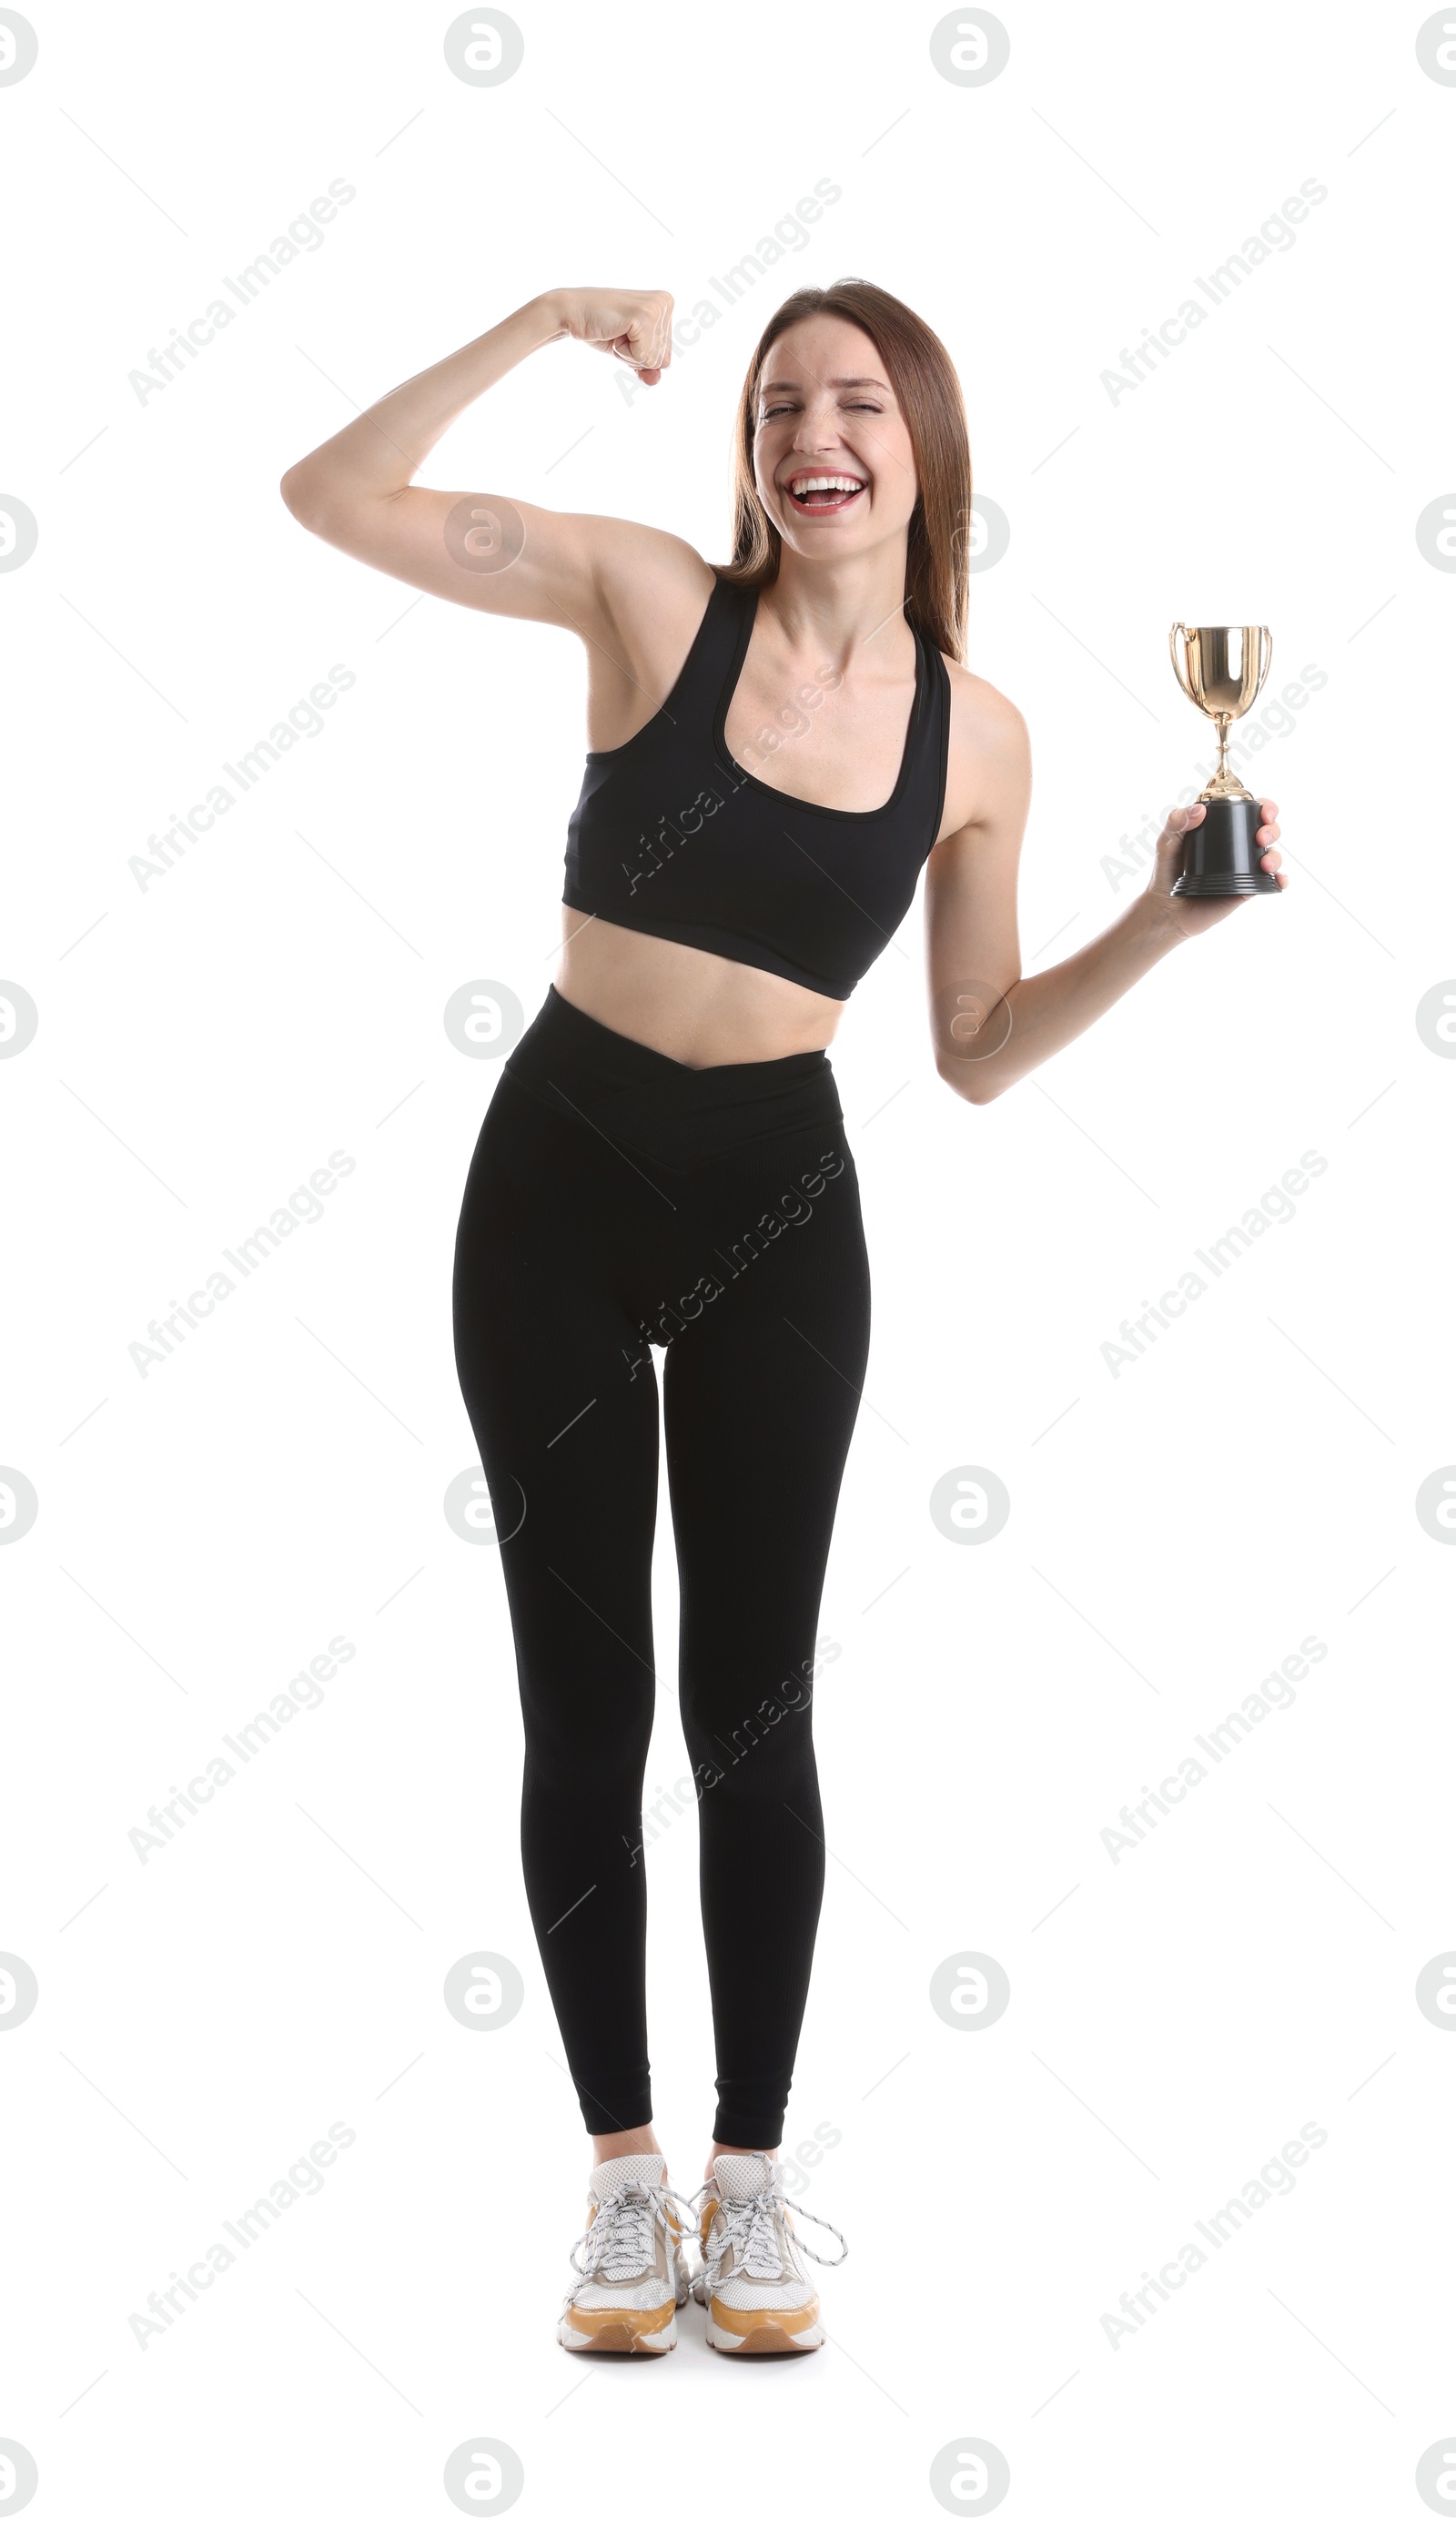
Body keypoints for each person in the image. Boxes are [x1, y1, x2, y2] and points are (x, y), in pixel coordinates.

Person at [280, 278, 1285, 2357]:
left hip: (780, 1210)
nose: (809, 432)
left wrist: (1163, 926)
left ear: (920, 448)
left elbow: (981, 1048)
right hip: (550, 1186)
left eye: (852, 402)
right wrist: (539, 326)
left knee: (754, 1709)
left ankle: (749, 2189)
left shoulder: (973, 736)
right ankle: (617, 2190)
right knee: (584, 1704)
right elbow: (330, 492)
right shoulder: (645, 601)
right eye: (775, 404)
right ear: (743, 450)